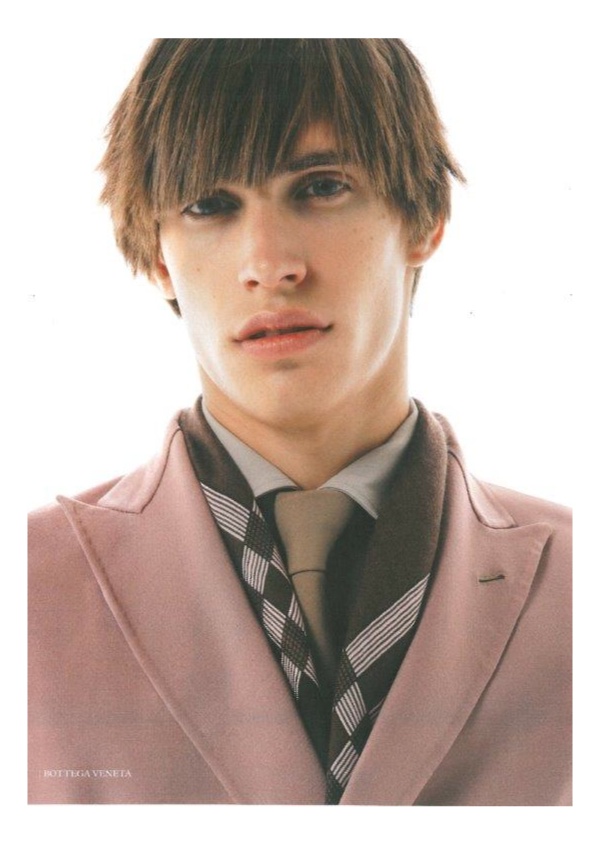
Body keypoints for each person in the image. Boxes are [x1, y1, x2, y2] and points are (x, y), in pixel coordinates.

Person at [28, 38, 571, 805]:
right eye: (209, 204)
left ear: (425, 216)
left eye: (320, 187)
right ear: (157, 255)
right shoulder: (28, 588)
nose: (269, 264)